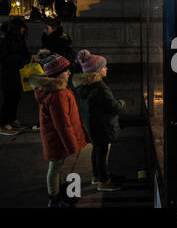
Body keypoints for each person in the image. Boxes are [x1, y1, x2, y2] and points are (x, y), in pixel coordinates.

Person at [27, 52, 88, 207]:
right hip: (57, 138)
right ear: (57, 74)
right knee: (54, 167)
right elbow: (63, 124)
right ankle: (54, 197)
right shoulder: (58, 95)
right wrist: (72, 144)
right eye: (65, 71)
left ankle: (58, 192)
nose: (69, 72)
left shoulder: (55, 90)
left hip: (54, 138)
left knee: (57, 165)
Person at [72, 50, 125, 192]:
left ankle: (97, 176)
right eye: (104, 67)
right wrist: (121, 103)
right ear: (97, 70)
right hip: (102, 125)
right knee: (101, 152)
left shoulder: (84, 85)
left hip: (92, 125)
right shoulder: (100, 87)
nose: (106, 69)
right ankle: (103, 181)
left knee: (97, 149)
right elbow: (113, 106)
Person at [0, 18, 32, 135]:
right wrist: (21, 59)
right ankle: (3, 123)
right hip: (8, 74)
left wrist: (28, 57)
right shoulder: (6, 41)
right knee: (8, 98)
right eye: (21, 28)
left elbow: (24, 52)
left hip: (17, 73)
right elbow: (5, 59)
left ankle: (13, 119)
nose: (23, 30)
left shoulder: (20, 40)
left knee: (16, 97)